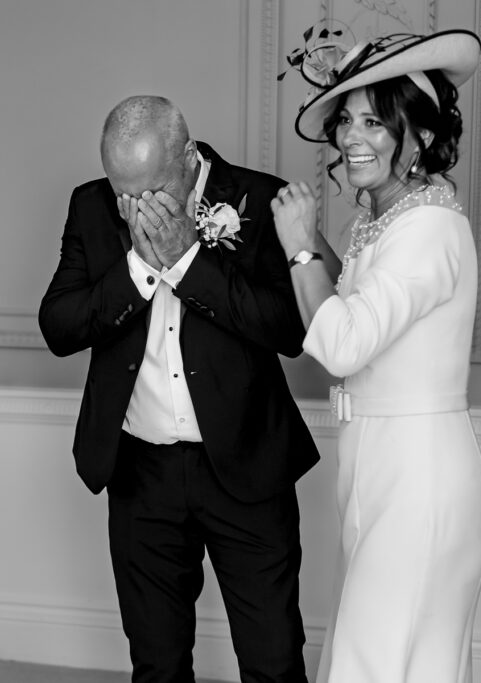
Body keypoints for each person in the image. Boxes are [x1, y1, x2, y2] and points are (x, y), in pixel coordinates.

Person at [39, 95, 319, 682]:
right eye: (124, 191)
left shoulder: (260, 199)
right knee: (157, 665)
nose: (136, 206)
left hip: (245, 467)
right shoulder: (91, 207)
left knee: (272, 661)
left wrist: (189, 260)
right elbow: (59, 327)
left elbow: (292, 331)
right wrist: (140, 269)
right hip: (141, 475)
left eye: (151, 188)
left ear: (189, 156)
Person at [271, 29, 481, 683]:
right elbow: (356, 308)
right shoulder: (387, 222)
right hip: (378, 467)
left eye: (373, 120)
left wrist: (297, 248)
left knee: (373, 665)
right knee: (388, 661)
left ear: (421, 136)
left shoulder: (429, 230)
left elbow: (342, 345)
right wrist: (311, 239)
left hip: (419, 478)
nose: (349, 137)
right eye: (346, 119)